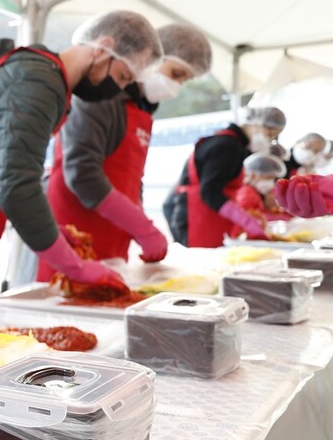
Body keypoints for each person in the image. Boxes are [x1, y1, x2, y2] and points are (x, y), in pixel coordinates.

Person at [0, 10, 162, 298]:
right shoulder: (39, 83)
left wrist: (52, 229)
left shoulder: (44, 76)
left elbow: (14, 171)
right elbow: (17, 188)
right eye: (121, 76)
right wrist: (76, 268)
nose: (117, 89)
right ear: (102, 46)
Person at [39, 24, 212, 276]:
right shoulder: (101, 97)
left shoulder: (141, 109)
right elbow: (82, 173)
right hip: (76, 229)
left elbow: (131, 179)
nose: (176, 87)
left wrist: (137, 221)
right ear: (148, 60)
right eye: (175, 74)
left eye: (183, 80)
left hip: (111, 235)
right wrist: (142, 227)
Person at [162, 106, 286, 247]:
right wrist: (244, 220)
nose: (269, 140)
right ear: (256, 124)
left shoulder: (236, 145)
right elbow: (210, 192)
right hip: (197, 218)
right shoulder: (226, 146)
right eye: (269, 134)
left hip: (210, 220)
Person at [233, 152, 288, 232]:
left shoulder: (255, 193)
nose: (271, 182)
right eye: (268, 177)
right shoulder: (247, 193)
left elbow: (259, 213)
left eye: (273, 178)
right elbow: (249, 217)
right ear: (253, 175)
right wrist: (283, 218)